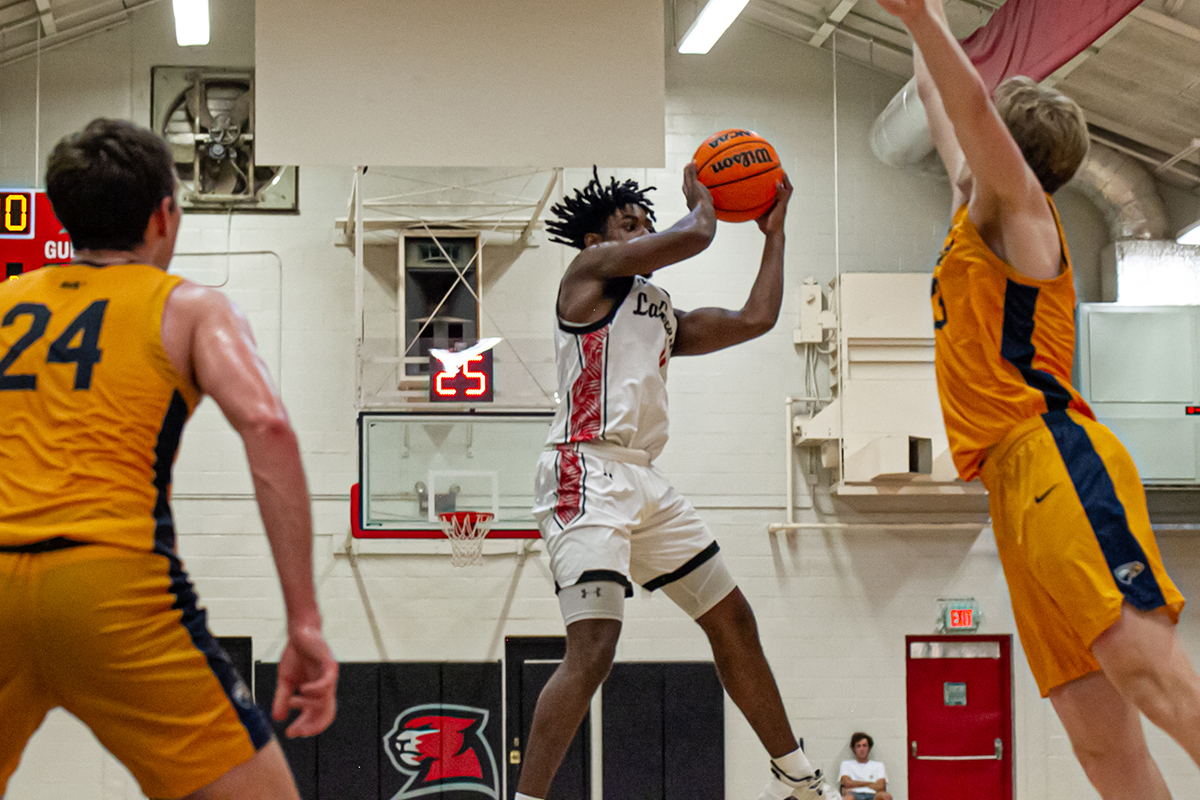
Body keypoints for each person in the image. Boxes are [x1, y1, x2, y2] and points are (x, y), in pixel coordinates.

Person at [879, 1, 1200, 796]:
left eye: (980, 144)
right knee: (1102, 746)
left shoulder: (1023, 216)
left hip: (1058, 456)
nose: (959, 142)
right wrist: (923, 22)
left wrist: (921, 15)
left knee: (1153, 680)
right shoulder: (971, 216)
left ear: (1004, 160)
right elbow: (936, 93)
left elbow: (970, 106)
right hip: (1010, 488)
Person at [0, 118, 338, 800]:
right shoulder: (188, 307)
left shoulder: (6, 302)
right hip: (111, 586)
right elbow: (267, 424)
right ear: (163, 215)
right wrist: (303, 621)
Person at [518, 164, 831, 800]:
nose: (644, 232)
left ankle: (797, 780)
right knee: (596, 645)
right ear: (597, 243)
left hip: (643, 479)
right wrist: (704, 201)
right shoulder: (586, 278)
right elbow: (696, 235)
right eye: (629, 225)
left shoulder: (657, 311)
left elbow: (755, 319)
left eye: (646, 223)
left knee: (733, 619)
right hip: (584, 468)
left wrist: (774, 233)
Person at [838, 732, 892, 800]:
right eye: (858, 746)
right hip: (854, 794)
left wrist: (854, 784)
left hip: (873, 795)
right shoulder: (846, 764)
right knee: (848, 798)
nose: (862, 749)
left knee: (886, 797)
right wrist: (870, 784)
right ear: (853, 749)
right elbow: (847, 783)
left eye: (864, 745)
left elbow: (881, 786)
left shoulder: (878, 765)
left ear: (869, 748)